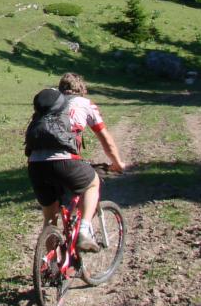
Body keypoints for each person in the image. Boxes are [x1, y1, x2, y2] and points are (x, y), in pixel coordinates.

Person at [26, 72, 126, 252]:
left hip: (35, 164)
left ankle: (51, 268)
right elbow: (106, 140)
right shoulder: (84, 104)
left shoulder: (49, 105)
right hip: (65, 161)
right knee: (92, 183)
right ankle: (84, 231)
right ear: (82, 90)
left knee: (50, 219)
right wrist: (117, 163)